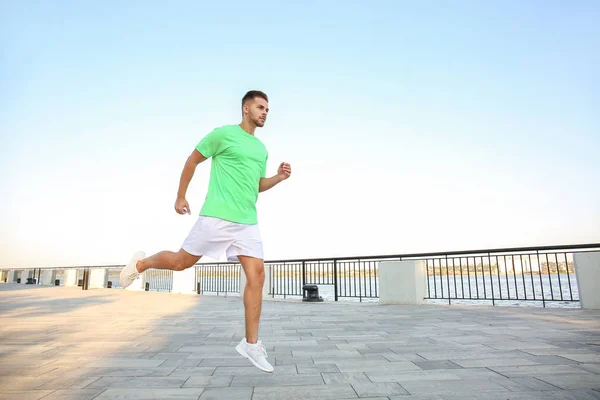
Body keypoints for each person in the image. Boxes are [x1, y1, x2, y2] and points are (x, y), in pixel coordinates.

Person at [119, 90, 291, 373]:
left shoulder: (261, 150)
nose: (265, 113)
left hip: (247, 221)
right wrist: (180, 196)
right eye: (260, 107)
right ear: (246, 108)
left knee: (257, 276)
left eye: (268, 109)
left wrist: (279, 178)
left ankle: (251, 344)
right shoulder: (222, 135)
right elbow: (192, 160)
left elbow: (256, 185)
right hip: (217, 216)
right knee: (180, 263)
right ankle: (141, 264)